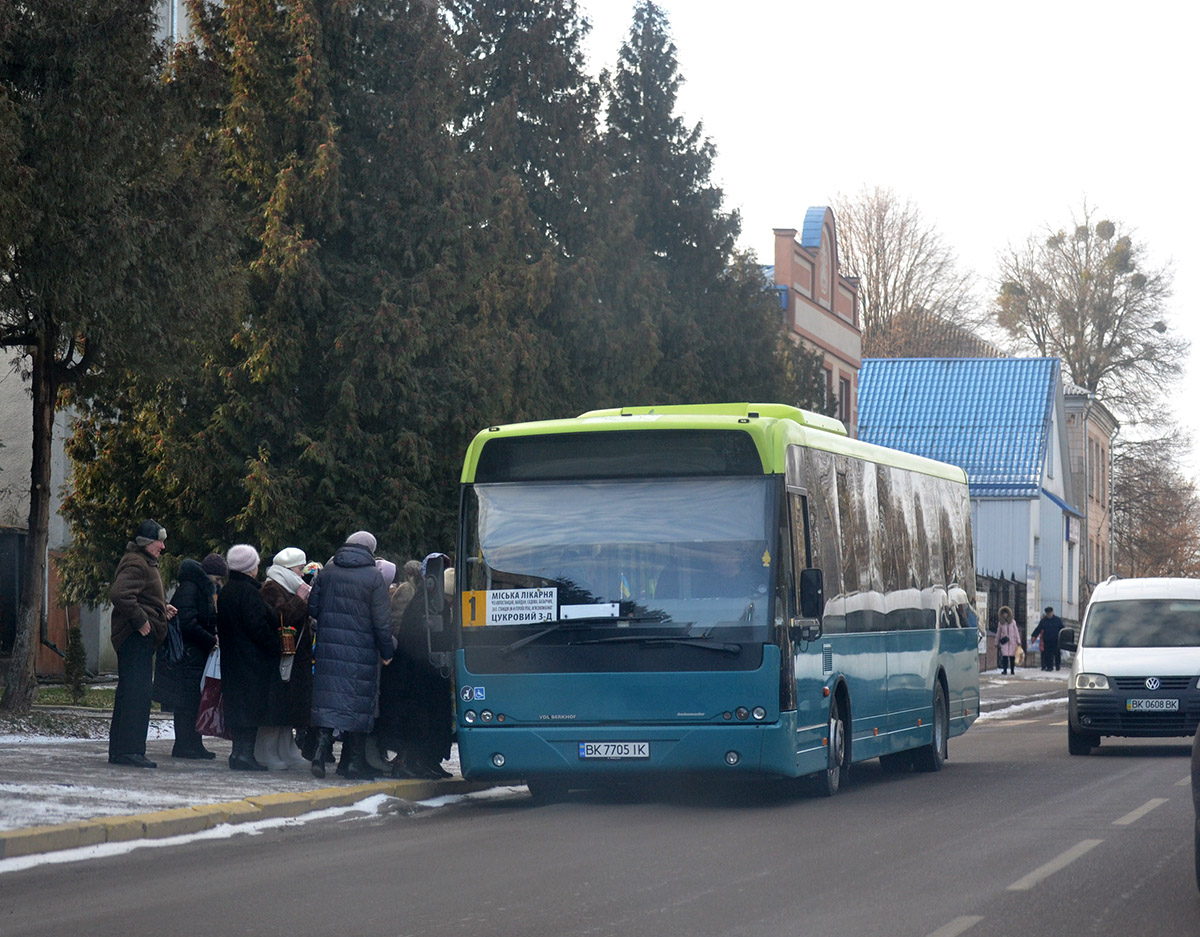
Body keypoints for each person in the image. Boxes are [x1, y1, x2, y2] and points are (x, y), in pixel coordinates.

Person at [307, 530, 394, 780]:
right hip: (361, 649)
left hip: (329, 648)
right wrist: (386, 651)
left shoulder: (328, 571)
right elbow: (382, 620)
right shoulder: (374, 577)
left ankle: (320, 754)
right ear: (370, 549)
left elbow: (313, 606)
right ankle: (353, 764)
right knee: (357, 705)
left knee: (328, 701)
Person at [377, 554, 455, 779]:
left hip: (431, 670)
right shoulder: (422, 601)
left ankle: (426, 760)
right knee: (416, 718)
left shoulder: (434, 602)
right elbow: (413, 634)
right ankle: (407, 761)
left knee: (431, 717)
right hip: (417, 671)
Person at [108, 519, 177, 768]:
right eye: (160, 541)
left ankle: (122, 750)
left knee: (131, 693)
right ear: (148, 542)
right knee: (136, 695)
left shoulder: (142, 562)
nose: (163, 546)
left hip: (137, 639)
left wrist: (160, 609)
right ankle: (130, 751)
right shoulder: (137, 562)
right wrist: (141, 621)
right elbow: (120, 594)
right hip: (134, 638)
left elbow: (138, 596)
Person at [217, 544, 281, 771]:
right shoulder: (249, 592)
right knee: (250, 707)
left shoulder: (226, 591)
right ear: (249, 568)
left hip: (232, 659)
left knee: (237, 706)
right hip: (251, 660)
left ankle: (238, 753)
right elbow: (258, 627)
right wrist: (276, 645)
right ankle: (245, 755)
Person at [157, 554, 223, 759]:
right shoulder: (192, 589)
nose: (219, 584)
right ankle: (185, 745)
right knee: (186, 703)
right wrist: (211, 640)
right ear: (208, 574)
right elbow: (187, 622)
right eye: (217, 579)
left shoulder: (197, 589)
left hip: (193, 655)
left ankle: (193, 744)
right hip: (188, 656)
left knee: (193, 701)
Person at [258, 547, 313, 769]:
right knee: (277, 705)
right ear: (289, 569)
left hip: (295, 655)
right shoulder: (272, 587)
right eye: (300, 569)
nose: (302, 574)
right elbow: (280, 618)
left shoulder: (288, 585)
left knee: (289, 706)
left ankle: (286, 747)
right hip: (282, 655)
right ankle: (267, 750)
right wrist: (300, 599)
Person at [1032, 606, 1065, 671]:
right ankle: (1049, 667)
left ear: (1052, 612)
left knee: (1057, 654)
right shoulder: (1044, 621)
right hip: (1047, 641)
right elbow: (1038, 629)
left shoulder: (1057, 620)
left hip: (1056, 640)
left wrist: (1064, 638)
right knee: (1048, 654)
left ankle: (1058, 665)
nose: (1049, 615)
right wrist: (1034, 635)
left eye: (1050, 613)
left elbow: (1062, 629)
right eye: (1047, 614)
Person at [995, 605, 1020, 675]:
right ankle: (1005, 670)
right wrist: (996, 642)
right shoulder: (1001, 623)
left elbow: (1016, 632)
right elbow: (998, 633)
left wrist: (1018, 641)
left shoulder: (1013, 622)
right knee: (1004, 656)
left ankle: (1012, 670)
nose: (1005, 615)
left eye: (1006, 613)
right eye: (1003, 614)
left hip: (1012, 642)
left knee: (1012, 657)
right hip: (1004, 642)